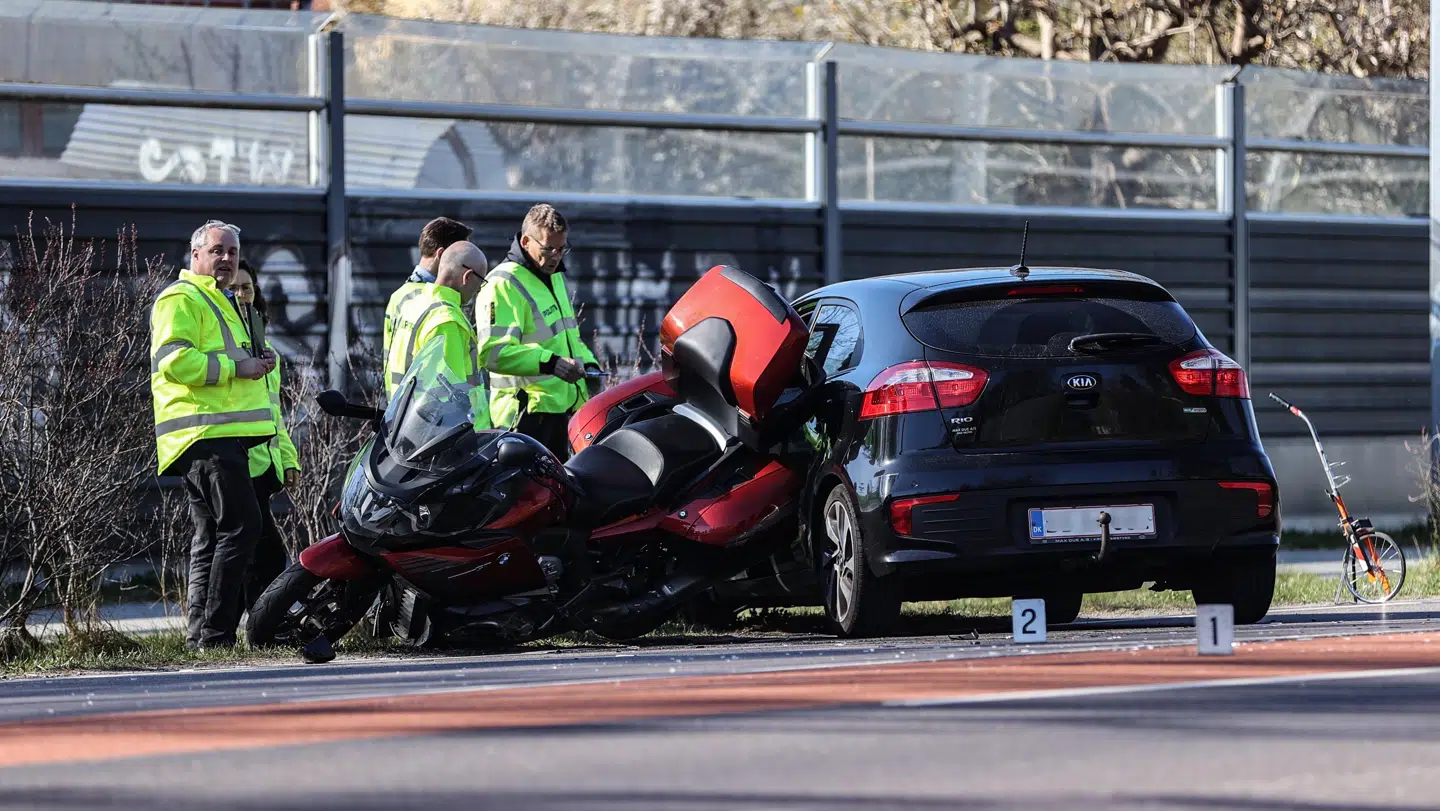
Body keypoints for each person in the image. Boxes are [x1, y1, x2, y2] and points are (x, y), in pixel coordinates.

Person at [150, 220, 276, 650]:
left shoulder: (221, 302)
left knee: (215, 538)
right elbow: (174, 361)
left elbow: (230, 360)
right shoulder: (181, 297)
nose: (226, 259)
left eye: (233, 252)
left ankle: (201, 638)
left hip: (223, 435)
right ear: (196, 255)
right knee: (243, 528)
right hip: (203, 433)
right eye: (218, 251)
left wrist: (258, 361)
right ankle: (216, 637)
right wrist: (236, 367)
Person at [476, 204, 601, 459]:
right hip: (525, 419)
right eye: (548, 249)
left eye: (562, 248)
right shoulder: (502, 284)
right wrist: (551, 363)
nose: (556, 256)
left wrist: (588, 363)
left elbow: (566, 336)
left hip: (561, 411)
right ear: (525, 241)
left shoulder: (554, 276)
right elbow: (492, 354)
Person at [228, 260, 300, 611]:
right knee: (264, 552)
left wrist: (288, 459)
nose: (241, 295)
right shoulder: (226, 345)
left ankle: (251, 625)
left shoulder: (266, 349)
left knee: (260, 552)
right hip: (236, 460)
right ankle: (257, 625)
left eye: (247, 288)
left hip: (263, 465)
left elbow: (275, 414)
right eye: (234, 289)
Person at [392, 241, 493, 431]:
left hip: (404, 424)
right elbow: (452, 396)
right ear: (468, 276)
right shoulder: (448, 321)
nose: (477, 290)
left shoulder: (412, 305)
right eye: (480, 283)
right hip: (444, 435)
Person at [383, 217, 473, 399]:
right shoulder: (437, 304)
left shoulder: (400, 295)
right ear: (442, 255)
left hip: (401, 409)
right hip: (427, 414)